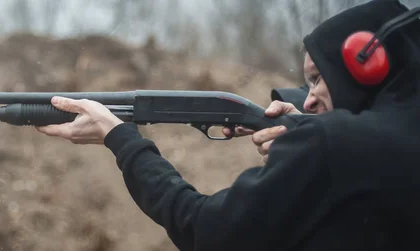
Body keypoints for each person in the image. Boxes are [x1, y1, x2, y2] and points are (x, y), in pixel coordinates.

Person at [35, 0, 420, 250]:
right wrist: (301, 130)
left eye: (319, 79)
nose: (307, 99)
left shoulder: (334, 147)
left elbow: (203, 230)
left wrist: (122, 140)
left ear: (366, 66)